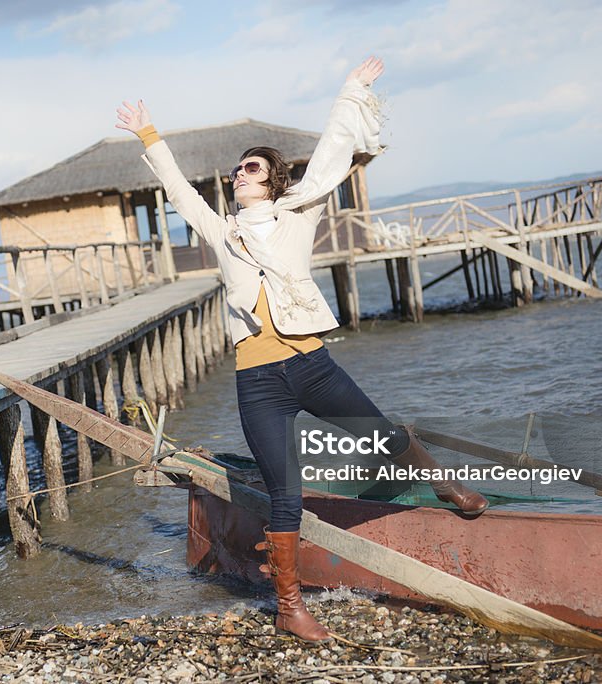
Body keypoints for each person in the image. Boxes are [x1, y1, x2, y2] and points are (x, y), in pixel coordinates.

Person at [115, 57, 487, 643]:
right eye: (237, 168)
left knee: (384, 437)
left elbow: (334, 155)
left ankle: (440, 483)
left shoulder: (297, 213)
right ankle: (289, 607)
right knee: (284, 493)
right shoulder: (224, 232)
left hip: (312, 367)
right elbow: (181, 193)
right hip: (258, 380)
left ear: (272, 181)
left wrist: (353, 90)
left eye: (251, 167)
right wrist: (149, 134)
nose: (239, 173)